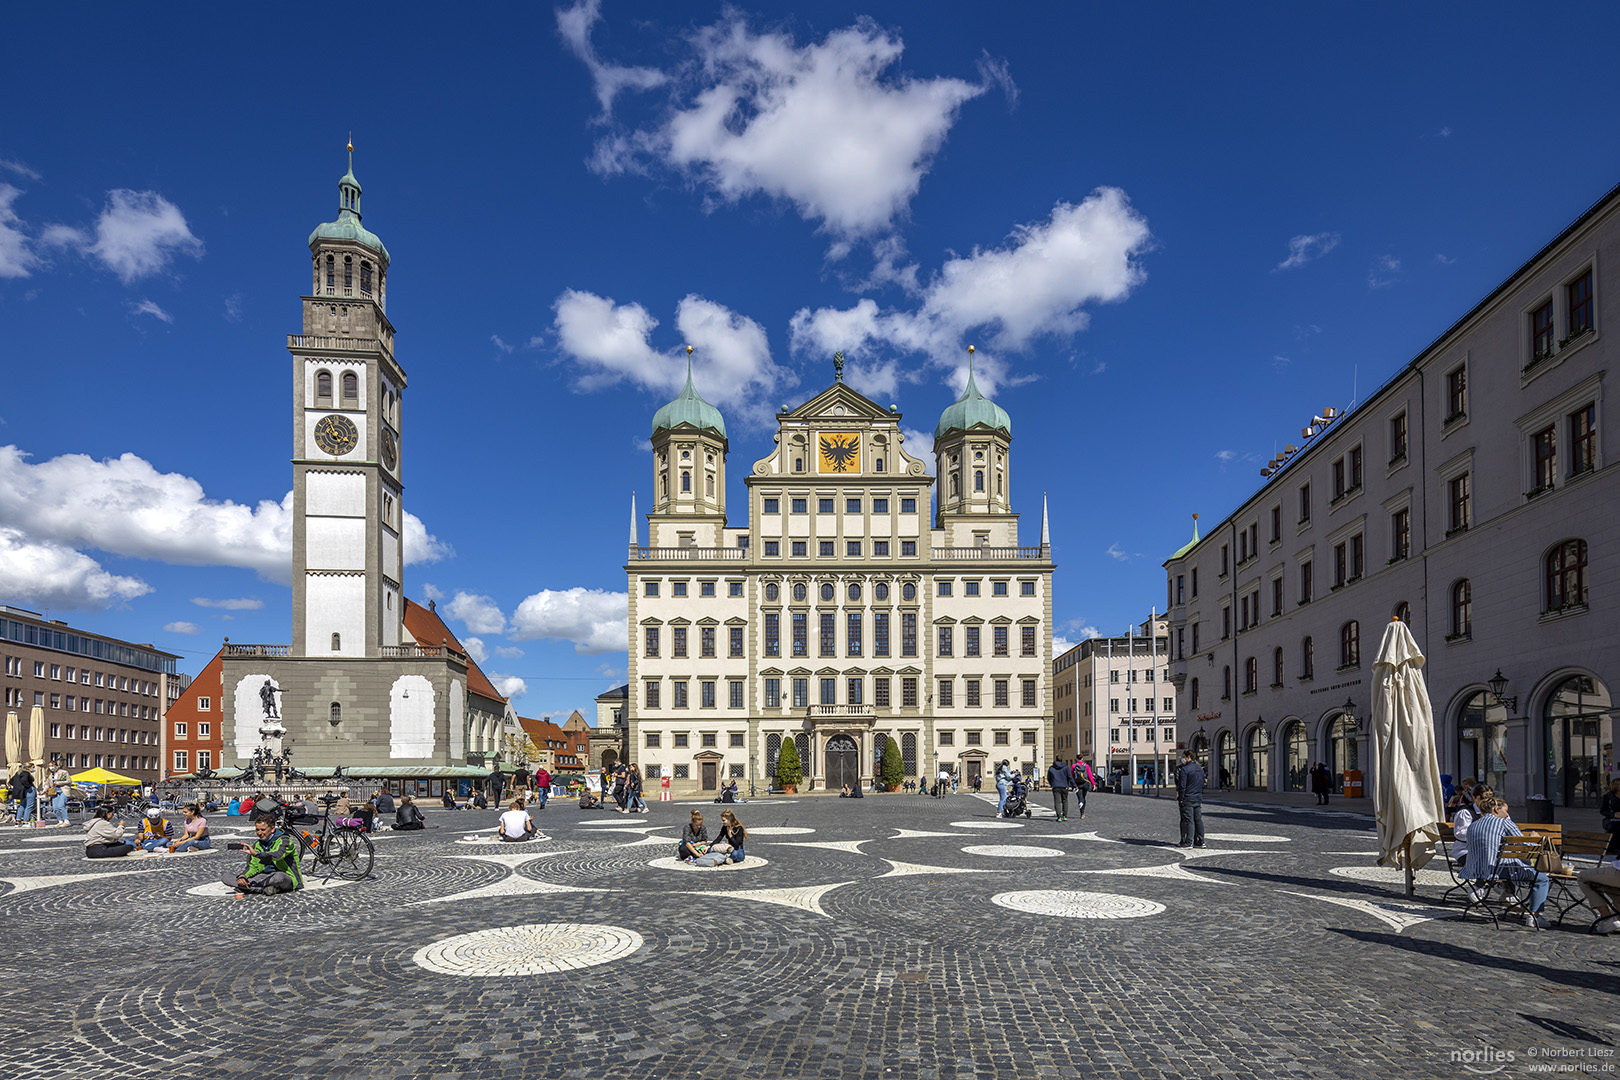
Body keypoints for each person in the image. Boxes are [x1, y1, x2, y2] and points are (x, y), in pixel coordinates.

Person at [1464, 796, 1552, 929]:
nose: (1507, 814)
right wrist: (1534, 838)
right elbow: (1526, 846)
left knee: (1509, 862)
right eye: (1506, 811)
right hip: (1497, 870)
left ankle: (1508, 892)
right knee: (1542, 878)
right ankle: (1534, 917)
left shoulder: (1473, 825)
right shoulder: (1504, 822)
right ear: (1496, 809)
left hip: (1476, 870)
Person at [226, 813, 303, 896]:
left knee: (278, 878)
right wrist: (243, 876)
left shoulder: (285, 840)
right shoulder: (258, 844)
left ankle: (251, 887)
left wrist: (257, 855)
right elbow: (254, 866)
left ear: (272, 829)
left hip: (285, 875)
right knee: (226, 877)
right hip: (265, 876)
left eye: (263, 830)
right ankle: (265, 889)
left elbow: (277, 855)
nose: (259, 833)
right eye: (257, 830)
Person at [1175, 750, 1206, 848]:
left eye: (1183, 756)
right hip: (1198, 797)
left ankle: (1188, 842)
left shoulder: (1185, 769)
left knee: (1189, 820)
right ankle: (1201, 841)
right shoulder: (1200, 769)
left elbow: (1182, 786)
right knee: (1198, 820)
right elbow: (1202, 783)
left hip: (1188, 797)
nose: (1182, 759)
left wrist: (1181, 798)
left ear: (1188, 757)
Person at [1047, 757, 1073, 821]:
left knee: (1057, 802)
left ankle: (1059, 817)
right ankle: (1065, 816)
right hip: (1064, 786)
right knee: (1065, 801)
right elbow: (1070, 777)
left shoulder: (1051, 768)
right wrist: (1073, 785)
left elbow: (1049, 777)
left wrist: (1052, 784)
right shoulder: (1066, 767)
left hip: (1055, 786)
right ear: (1062, 760)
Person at [1601, 778, 1620, 856]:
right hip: (1611, 819)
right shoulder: (1608, 797)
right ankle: (1611, 849)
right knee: (1613, 827)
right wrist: (1613, 814)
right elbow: (1603, 810)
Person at [1070, 756, 1092, 821]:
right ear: (1082, 759)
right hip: (1085, 784)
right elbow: (1090, 775)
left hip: (1077, 784)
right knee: (1083, 797)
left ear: (1076, 759)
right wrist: (1093, 784)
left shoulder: (1074, 766)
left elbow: (1071, 776)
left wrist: (1072, 784)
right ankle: (1083, 812)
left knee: (1080, 798)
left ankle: (1082, 813)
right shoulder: (1086, 766)